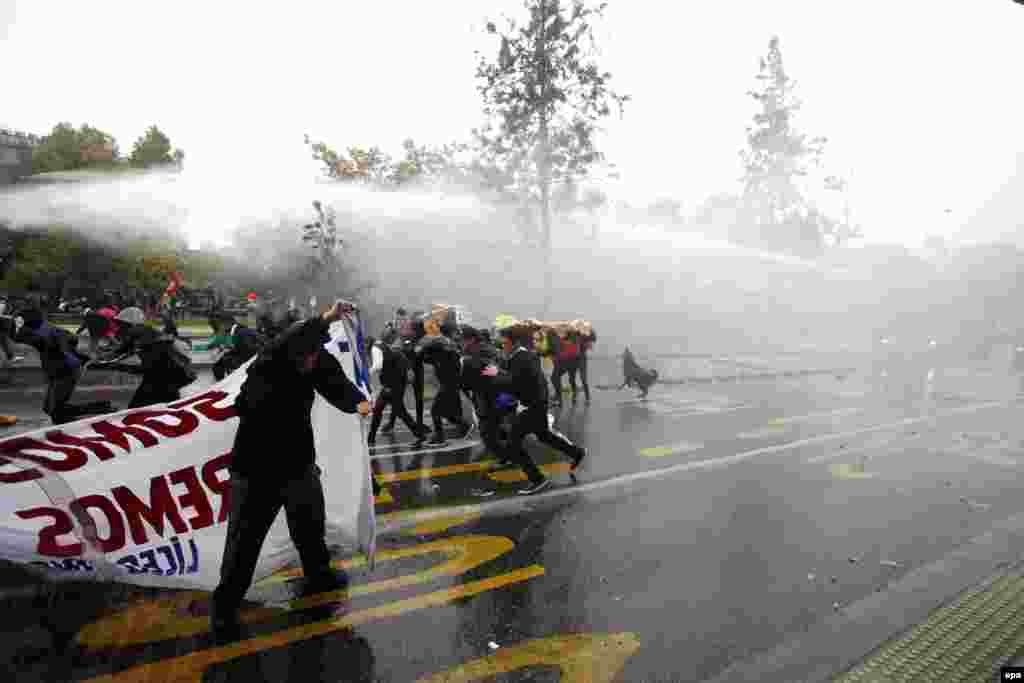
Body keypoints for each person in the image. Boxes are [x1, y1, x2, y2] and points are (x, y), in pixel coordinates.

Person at [210, 301, 370, 641]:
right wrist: (327, 316)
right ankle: (225, 604)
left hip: (297, 463)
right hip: (256, 468)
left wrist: (358, 401)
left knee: (310, 524)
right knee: (245, 540)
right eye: (309, 351)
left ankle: (319, 575)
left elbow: (334, 383)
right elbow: (293, 341)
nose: (315, 359)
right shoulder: (271, 360)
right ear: (295, 346)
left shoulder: (312, 360)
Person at [482, 325, 587, 495]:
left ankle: (537, 479)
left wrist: (496, 373)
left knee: (513, 442)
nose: (502, 345)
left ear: (515, 343)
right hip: (534, 403)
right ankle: (577, 452)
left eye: (505, 342)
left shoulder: (523, 358)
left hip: (533, 406)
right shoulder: (518, 356)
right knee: (544, 435)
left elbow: (513, 382)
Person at [13, 308, 111, 424]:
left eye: (20, 321)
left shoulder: (43, 332)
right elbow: (71, 339)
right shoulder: (42, 329)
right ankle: (102, 408)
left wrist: (68, 353)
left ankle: (97, 412)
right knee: (50, 409)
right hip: (59, 370)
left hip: (66, 371)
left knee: (56, 412)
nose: (19, 325)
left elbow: (67, 340)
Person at [94, 307, 197, 408]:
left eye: (121, 324)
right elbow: (121, 351)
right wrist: (105, 358)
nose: (119, 328)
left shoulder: (141, 335)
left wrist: (110, 364)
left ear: (131, 324)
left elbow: (142, 364)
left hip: (163, 377)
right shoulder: (141, 333)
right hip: (163, 377)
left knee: (139, 408)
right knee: (165, 406)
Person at [414, 317, 473, 446]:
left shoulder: (443, 346)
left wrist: (421, 350)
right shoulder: (444, 348)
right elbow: (427, 357)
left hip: (449, 383)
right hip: (449, 383)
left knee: (435, 410)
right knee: (449, 412)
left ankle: (440, 437)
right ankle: (464, 426)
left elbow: (425, 351)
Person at [367, 331, 425, 447]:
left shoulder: (375, 348)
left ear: (367, 343)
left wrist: (367, 373)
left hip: (393, 385)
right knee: (379, 409)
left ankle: (420, 435)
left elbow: (378, 365)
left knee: (400, 412)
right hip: (391, 384)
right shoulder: (382, 346)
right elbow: (397, 356)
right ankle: (370, 438)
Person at [577, 326, 596, 403]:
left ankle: (587, 396)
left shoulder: (584, 335)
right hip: (572, 358)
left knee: (583, 378)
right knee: (572, 378)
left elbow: (593, 338)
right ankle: (585, 396)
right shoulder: (573, 334)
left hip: (581, 358)